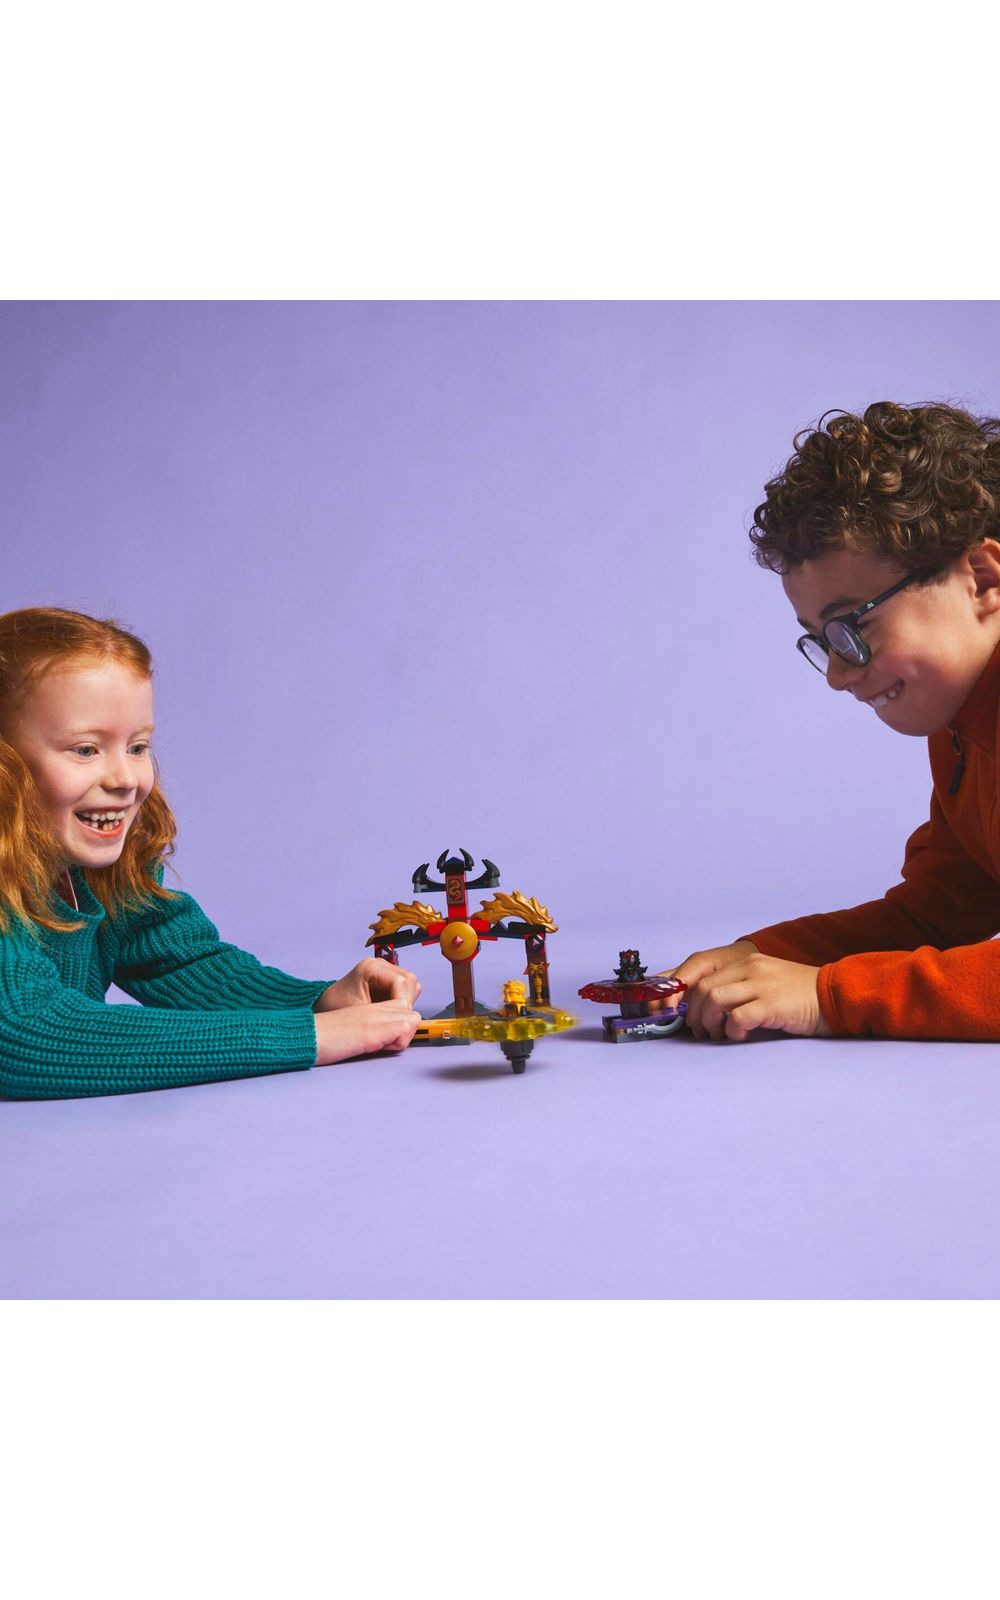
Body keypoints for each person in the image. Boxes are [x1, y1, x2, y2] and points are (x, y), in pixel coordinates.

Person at [663, 400, 1000, 1044]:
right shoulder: (962, 724)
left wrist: (828, 996)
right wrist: (762, 957)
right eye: (822, 640)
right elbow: (942, 910)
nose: (838, 675)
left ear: (982, 579)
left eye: (853, 627)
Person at [0, 607, 422, 1098]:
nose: (125, 779)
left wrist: (319, 1001)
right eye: (86, 749)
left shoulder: (93, 869)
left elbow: (179, 964)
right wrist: (311, 1037)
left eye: (137, 747)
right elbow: (23, 1031)